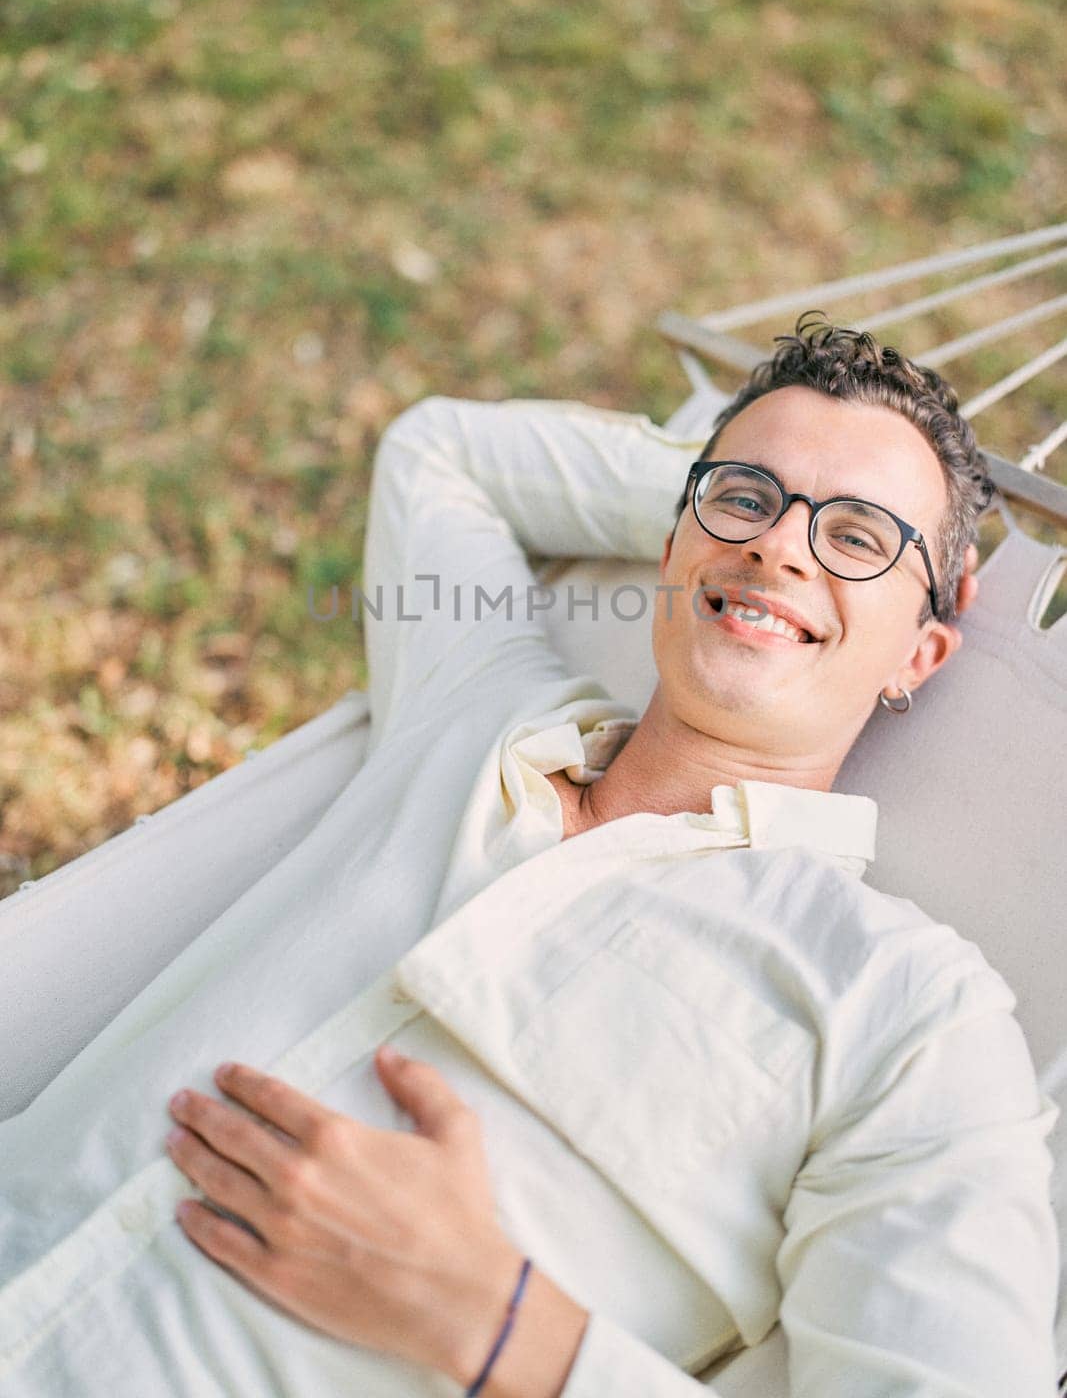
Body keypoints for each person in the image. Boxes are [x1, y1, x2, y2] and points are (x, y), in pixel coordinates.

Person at [0, 317, 1057, 1397]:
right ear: (669, 547)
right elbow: (439, 452)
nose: (779, 547)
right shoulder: (482, 709)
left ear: (921, 649)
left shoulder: (903, 1010)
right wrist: (700, 477)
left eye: (857, 536)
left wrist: (502, 1324)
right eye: (746, 500)